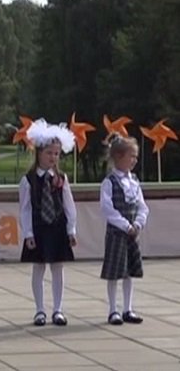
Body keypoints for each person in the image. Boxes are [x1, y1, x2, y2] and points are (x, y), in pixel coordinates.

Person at [20, 120, 78, 327]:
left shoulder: (61, 178)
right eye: (49, 153)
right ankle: (39, 310)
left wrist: (71, 229)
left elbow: (69, 206)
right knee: (38, 267)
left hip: (57, 226)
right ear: (38, 153)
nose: (53, 157)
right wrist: (28, 233)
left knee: (58, 267)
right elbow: (25, 208)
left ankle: (58, 309)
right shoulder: (28, 180)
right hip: (38, 227)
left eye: (56, 153)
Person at [100, 136, 149, 326]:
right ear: (119, 157)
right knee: (115, 272)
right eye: (132, 156)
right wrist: (125, 225)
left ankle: (128, 308)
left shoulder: (134, 181)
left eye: (136, 157)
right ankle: (113, 310)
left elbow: (142, 206)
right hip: (117, 233)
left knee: (129, 271)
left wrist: (138, 223)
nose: (135, 160)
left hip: (132, 232)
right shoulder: (109, 182)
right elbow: (107, 209)